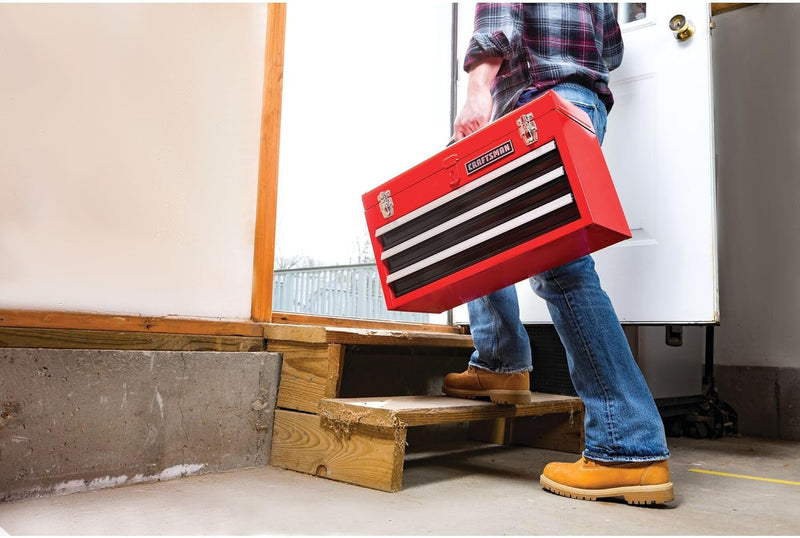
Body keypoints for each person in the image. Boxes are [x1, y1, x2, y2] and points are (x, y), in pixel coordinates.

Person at [442, 3, 673, 505]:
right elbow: (610, 47)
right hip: (581, 103)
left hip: (535, 103)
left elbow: (497, 17)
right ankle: (501, 363)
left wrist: (478, 89)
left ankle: (627, 447)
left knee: (561, 269)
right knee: (484, 229)